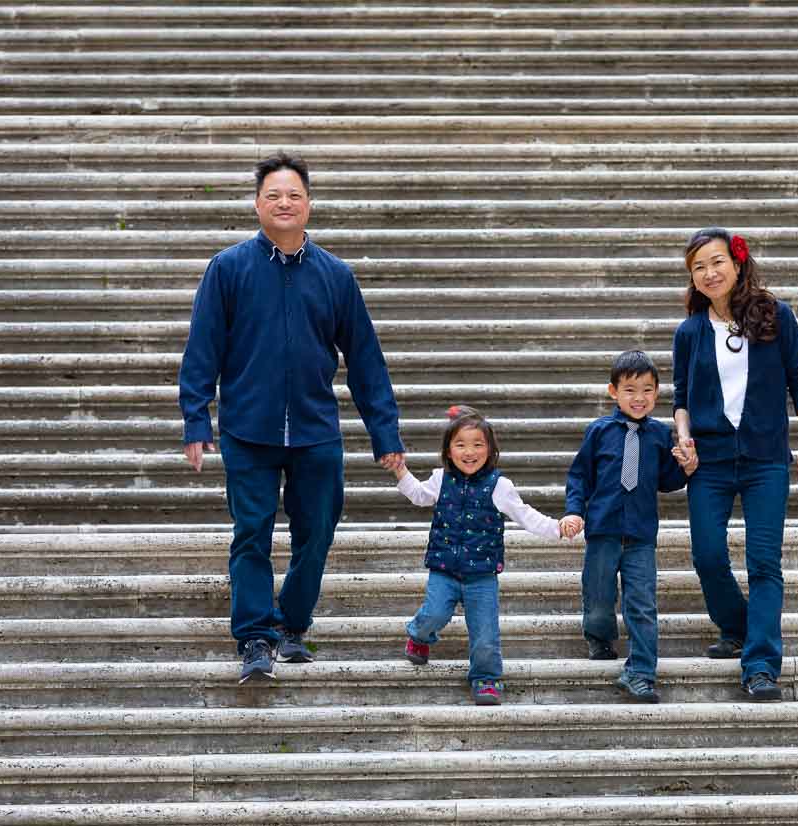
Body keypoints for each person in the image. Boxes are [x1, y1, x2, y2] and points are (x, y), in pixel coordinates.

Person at [178, 152, 405, 685]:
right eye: (274, 195)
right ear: (257, 204)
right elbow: (202, 350)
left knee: (317, 532)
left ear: (309, 204)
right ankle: (256, 637)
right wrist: (196, 420)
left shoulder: (335, 276)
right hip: (247, 429)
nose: (284, 203)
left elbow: (366, 360)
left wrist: (385, 433)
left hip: (314, 430)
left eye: (294, 195)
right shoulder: (228, 269)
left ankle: (292, 625)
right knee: (251, 533)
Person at [671, 227, 798, 702]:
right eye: (698, 267)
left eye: (716, 262)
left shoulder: (777, 317)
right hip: (709, 462)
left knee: (763, 563)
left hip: (765, 460)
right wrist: (685, 438)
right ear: (692, 278)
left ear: (737, 265)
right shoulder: (689, 332)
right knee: (708, 555)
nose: (709, 273)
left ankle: (760, 666)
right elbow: (680, 396)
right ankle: (737, 625)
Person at [395, 405, 571, 706]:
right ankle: (419, 636)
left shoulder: (499, 486)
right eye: (461, 444)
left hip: (482, 575)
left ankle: (485, 678)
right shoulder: (440, 479)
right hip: (444, 569)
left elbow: (526, 515)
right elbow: (419, 495)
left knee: (486, 634)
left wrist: (557, 527)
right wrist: (401, 470)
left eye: (478, 444)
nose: (469, 452)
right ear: (448, 451)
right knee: (434, 613)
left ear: (490, 450)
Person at [561, 350, 695, 704]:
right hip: (603, 531)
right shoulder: (599, 432)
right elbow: (579, 477)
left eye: (647, 390)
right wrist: (574, 512)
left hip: (640, 536)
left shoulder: (660, 435)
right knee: (599, 596)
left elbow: (666, 481)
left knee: (641, 603)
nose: (639, 398)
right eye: (630, 390)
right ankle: (600, 637)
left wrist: (684, 467)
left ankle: (641, 673)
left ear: (657, 393)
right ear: (613, 392)